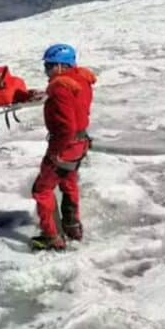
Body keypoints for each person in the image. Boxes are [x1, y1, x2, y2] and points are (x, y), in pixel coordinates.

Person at [31, 44, 97, 251]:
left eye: (49, 66)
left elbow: (66, 127)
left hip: (65, 147)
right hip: (80, 144)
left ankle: (52, 236)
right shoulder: (81, 79)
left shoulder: (60, 87)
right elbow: (75, 104)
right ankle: (72, 227)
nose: (47, 70)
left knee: (42, 189)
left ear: (60, 66)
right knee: (68, 183)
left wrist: (54, 153)